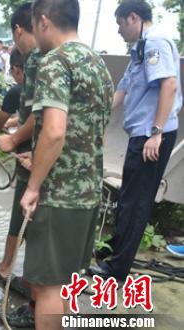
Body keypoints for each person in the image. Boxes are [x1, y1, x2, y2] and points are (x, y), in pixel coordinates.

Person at [20, 0, 113, 328]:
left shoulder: (54, 62)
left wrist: (33, 186)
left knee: (47, 288)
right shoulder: (97, 63)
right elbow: (94, 132)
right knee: (66, 285)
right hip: (89, 194)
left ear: (44, 21)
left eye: (33, 24)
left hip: (59, 197)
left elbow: (55, 132)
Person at [89, 0, 181, 281]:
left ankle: (116, 271)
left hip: (152, 136)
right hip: (141, 134)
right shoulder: (140, 48)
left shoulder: (156, 42)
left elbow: (170, 84)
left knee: (137, 202)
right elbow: (125, 89)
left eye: (119, 23)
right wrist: (98, 117)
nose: (118, 30)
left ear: (133, 17)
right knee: (127, 199)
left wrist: (157, 132)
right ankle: (113, 254)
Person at [0, 3, 43, 327]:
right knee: (36, 223)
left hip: (33, 159)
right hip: (41, 156)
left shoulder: (36, 65)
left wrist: (11, 139)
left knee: (22, 217)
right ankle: (19, 273)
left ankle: (9, 269)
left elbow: (40, 118)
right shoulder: (79, 59)